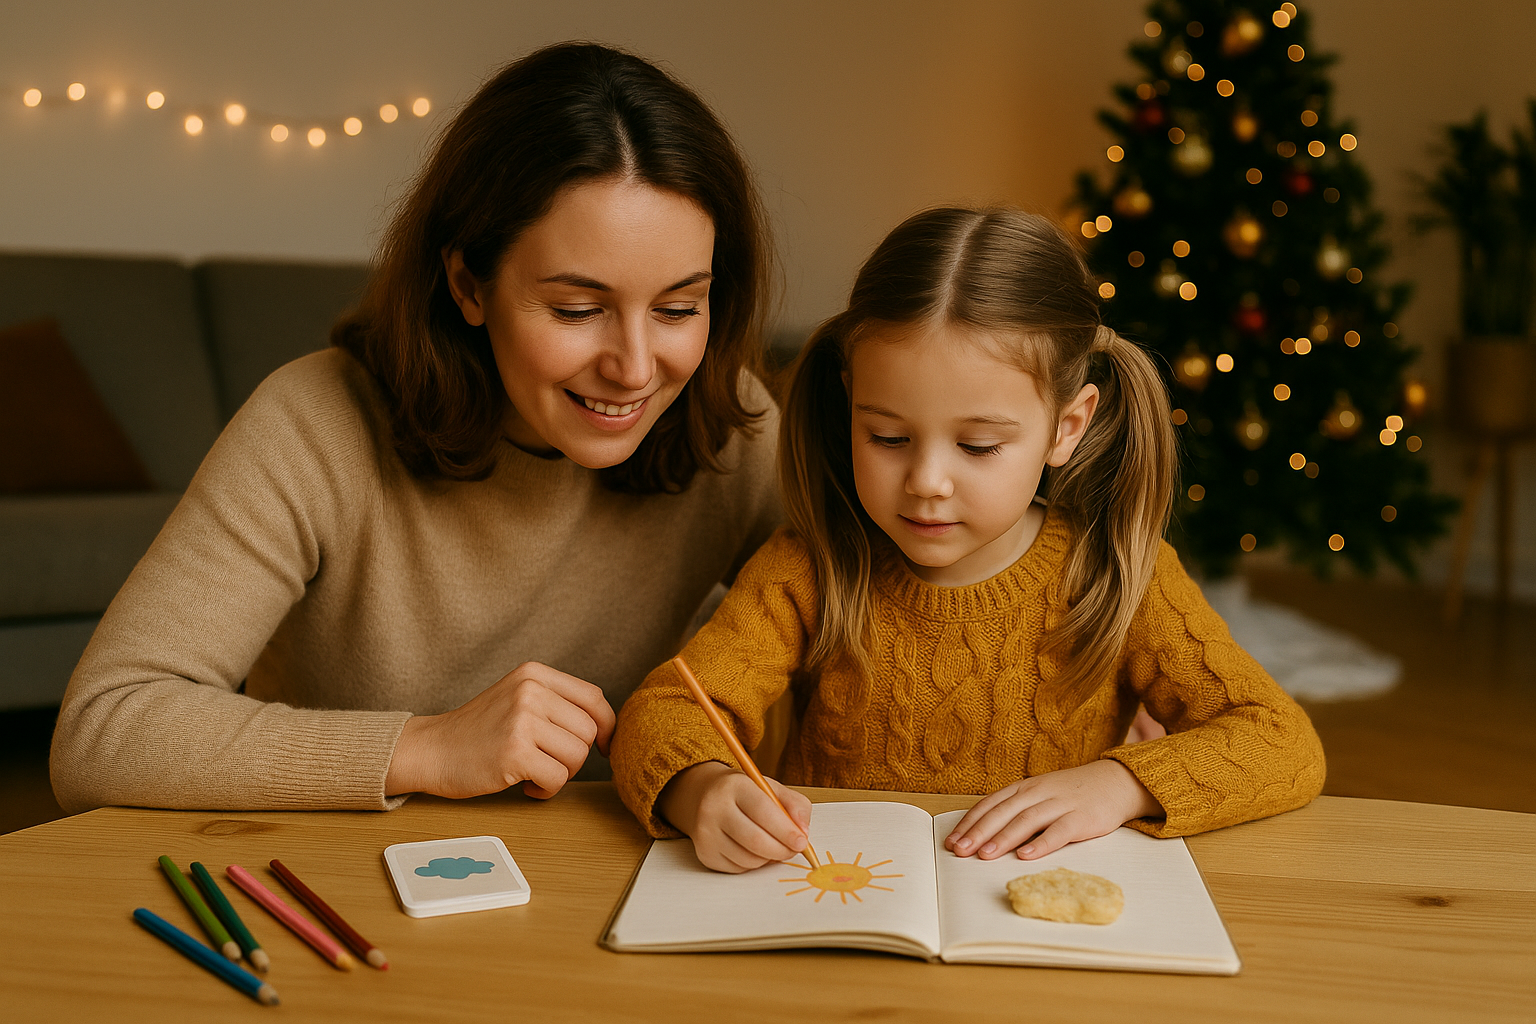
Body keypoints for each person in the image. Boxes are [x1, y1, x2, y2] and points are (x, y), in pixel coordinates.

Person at [49, 42, 781, 813]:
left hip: (602, 866)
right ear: (468, 284)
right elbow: (102, 730)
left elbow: (858, 611)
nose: (634, 369)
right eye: (576, 310)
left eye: (677, 308)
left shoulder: (728, 419)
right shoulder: (315, 424)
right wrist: (425, 747)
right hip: (337, 869)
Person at [610, 207, 1325, 873]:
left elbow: (1281, 741)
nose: (926, 482)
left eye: (978, 446)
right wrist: (700, 787)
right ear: (849, 401)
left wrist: (1120, 785)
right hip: (839, 902)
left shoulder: (1119, 576)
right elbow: (665, 712)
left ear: (1066, 428)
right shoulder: (808, 568)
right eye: (887, 436)